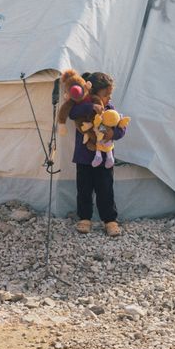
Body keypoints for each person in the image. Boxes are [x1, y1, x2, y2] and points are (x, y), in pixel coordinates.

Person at [68, 71, 128, 237]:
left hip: (105, 160)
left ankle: (109, 220)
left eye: (110, 95)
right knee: (84, 189)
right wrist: (91, 106)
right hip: (84, 158)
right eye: (106, 95)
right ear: (94, 94)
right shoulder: (82, 108)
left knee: (105, 189)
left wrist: (113, 134)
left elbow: (121, 127)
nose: (109, 99)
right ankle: (85, 218)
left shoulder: (110, 109)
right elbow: (72, 114)